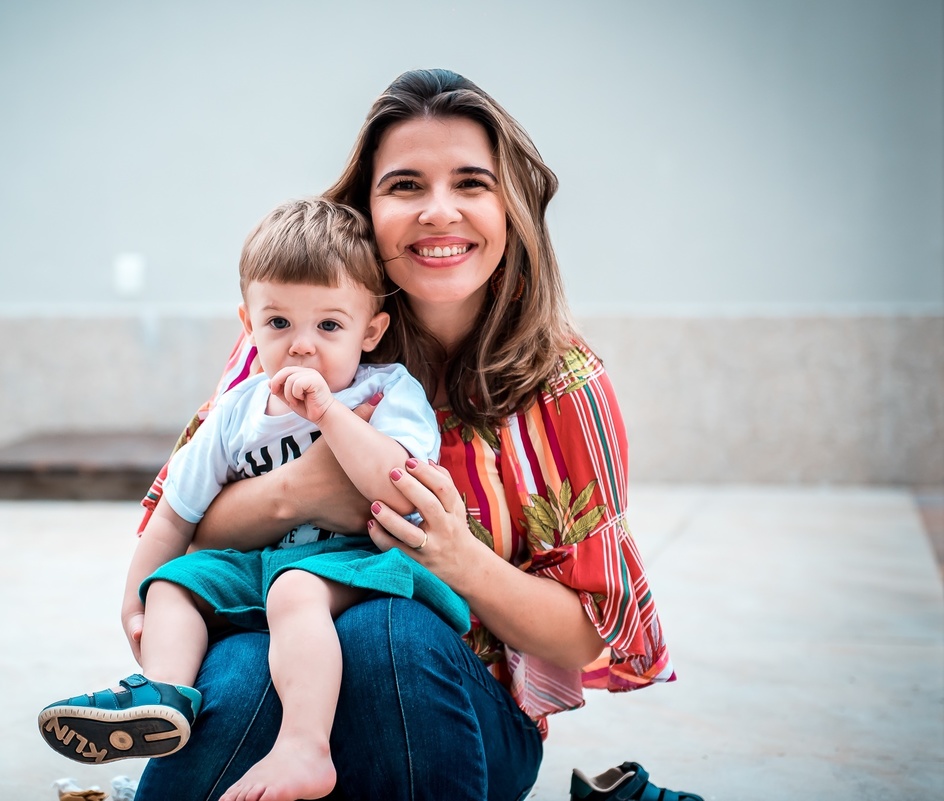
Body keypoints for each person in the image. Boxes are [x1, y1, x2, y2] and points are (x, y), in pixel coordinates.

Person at [132, 68, 677, 801]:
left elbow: (585, 633)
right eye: (406, 185)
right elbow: (188, 526)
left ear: (510, 207)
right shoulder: (301, 333)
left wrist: (458, 559)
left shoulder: (565, 384)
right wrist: (301, 489)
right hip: (291, 660)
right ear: (368, 208)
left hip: (455, 702)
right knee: (229, 677)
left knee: (388, 628)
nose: (439, 211)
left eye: (472, 183)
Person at [38, 198, 470, 801]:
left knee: (296, 588)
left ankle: (304, 749)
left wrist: (327, 414)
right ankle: (161, 695)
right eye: (278, 324)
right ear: (249, 323)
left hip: (365, 564)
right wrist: (137, 597)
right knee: (174, 582)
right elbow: (175, 515)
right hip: (259, 568)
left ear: (371, 329)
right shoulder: (237, 411)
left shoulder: (387, 391)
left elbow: (395, 484)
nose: (301, 346)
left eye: (329, 326)